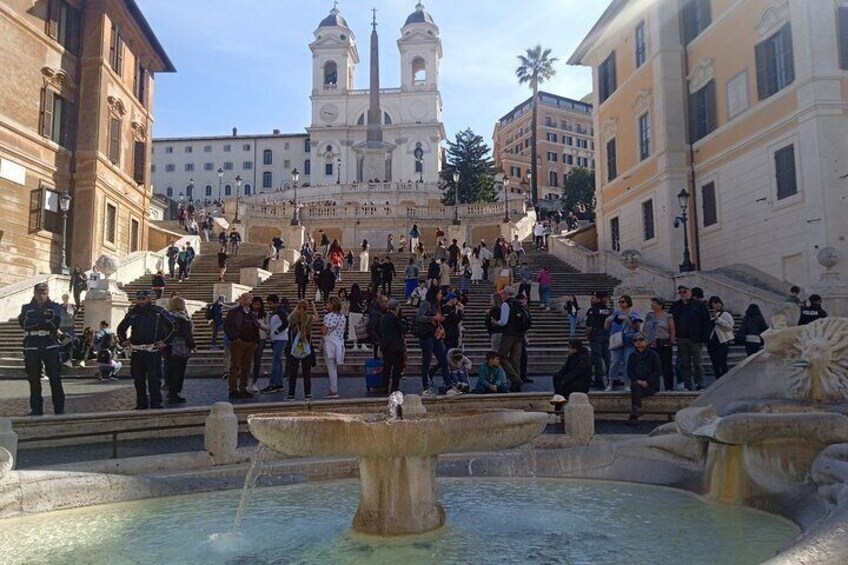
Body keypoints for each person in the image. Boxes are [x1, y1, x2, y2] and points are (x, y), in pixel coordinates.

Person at [117, 290, 174, 410]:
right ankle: (141, 403)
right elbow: (121, 327)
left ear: (149, 299)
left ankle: (156, 403)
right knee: (138, 379)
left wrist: (165, 341)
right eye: (139, 299)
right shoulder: (133, 313)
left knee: (154, 379)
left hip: (152, 350)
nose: (141, 301)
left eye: (143, 299)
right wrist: (123, 340)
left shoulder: (158, 311)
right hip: (137, 351)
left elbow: (173, 326)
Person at [18, 283, 65, 416]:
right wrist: (43, 320)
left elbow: (54, 323)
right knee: (33, 378)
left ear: (48, 292)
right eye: (39, 292)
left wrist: (37, 320)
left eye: (44, 292)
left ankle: (59, 408)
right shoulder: (26, 308)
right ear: (34, 293)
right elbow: (25, 323)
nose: (42, 295)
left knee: (55, 377)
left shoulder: (54, 307)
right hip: (32, 345)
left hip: (50, 344)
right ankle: (36, 408)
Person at [670, 285, 710, 391]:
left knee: (698, 363)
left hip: (696, 339)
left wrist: (704, 338)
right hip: (681, 338)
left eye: (685, 291)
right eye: (681, 292)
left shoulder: (699, 305)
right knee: (685, 364)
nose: (683, 294)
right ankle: (687, 385)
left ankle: (700, 383)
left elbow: (706, 321)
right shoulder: (676, 306)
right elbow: (671, 321)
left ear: (690, 292)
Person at [491, 286, 532, 392]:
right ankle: (516, 384)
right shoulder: (519, 304)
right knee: (515, 360)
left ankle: (515, 379)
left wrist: (496, 323)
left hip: (509, 334)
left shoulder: (506, 304)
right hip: (519, 335)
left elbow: (504, 321)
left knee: (501, 357)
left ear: (504, 293)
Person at [223, 292, 260, 400]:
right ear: (241, 300)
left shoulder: (252, 313)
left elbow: (255, 327)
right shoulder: (234, 311)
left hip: (250, 343)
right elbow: (226, 326)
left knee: (246, 367)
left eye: (250, 298)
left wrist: (256, 341)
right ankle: (233, 390)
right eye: (245, 298)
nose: (248, 300)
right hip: (238, 342)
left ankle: (243, 388)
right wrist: (234, 338)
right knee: (235, 367)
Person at [415, 285, 450, 395]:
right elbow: (419, 317)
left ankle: (447, 384)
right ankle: (425, 386)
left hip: (436, 335)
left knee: (443, 359)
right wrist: (432, 318)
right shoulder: (426, 303)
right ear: (434, 294)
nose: (441, 295)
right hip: (427, 335)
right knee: (427, 360)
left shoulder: (437, 305)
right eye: (439, 293)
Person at [604, 295, 642, 391]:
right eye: (619, 301)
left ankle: (627, 383)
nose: (620, 303)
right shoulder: (615, 313)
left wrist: (627, 318)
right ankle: (610, 383)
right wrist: (607, 320)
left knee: (628, 362)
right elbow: (606, 327)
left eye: (623, 301)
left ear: (628, 303)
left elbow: (636, 327)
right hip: (616, 340)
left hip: (629, 340)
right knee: (614, 362)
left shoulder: (634, 313)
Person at [163, 296, 195, 404]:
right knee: (179, 370)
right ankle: (174, 393)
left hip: (167, 346)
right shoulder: (183, 318)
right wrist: (192, 346)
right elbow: (187, 334)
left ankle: (170, 390)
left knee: (170, 369)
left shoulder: (167, 317)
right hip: (180, 347)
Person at [626, 332, 662, 426]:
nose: (638, 342)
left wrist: (647, 381)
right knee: (635, 385)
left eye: (641, 340)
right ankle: (636, 409)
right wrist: (638, 381)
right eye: (635, 340)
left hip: (651, 385)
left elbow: (657, 371)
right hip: (637, 384)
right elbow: (630, 371)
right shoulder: (632, 356)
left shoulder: (653, 355)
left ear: (646, 341)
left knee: (635, 388)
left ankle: (635, 411)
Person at [643, 297, 676, 391]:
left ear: (660, 305)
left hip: (663, 343)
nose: (652, 305)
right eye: (652, 303)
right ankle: (653, 386)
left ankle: (669, 386)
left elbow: (672, 330)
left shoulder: (668, 316)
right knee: (651, 366)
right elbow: (645, 328)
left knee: (666, 366)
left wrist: (671, 341)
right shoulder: (649, 315)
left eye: (654, 303)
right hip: (651, 343)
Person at [285, 300, 315, 401]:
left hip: (295, 347)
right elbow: (318, 318)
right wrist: (313, 306)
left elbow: (287, 319)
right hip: (306, 347)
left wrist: (295, 309)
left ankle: (291, 394)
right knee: (307, 372)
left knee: (293, 372)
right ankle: (308, 394)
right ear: (307, 308)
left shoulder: (293, 317)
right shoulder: (309, 318)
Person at [262, 295, 289, 394]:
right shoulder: (275, 312)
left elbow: (286, 323)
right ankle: (279, 384)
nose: (269, 305)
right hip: (276, 339)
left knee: (276, 361)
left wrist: (277, 331)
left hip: (280, 339)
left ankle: (273, 384)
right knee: (278, 361)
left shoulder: (280, 312)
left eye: (271, 303)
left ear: (276, 302)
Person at [584, 292, 611, 389]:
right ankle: (611, 378)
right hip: (606, 335)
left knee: (597, 359)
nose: (592, 300)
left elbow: (589, 325)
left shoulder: (593, 310)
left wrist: (588, 335)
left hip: (596, 336)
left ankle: (599, 380)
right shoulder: (608, 310)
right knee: (607, 358)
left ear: (599, 299)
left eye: (594, 298)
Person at [380, 299, 407, 394]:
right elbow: (403, 329)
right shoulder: (395, 318)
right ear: (396, 307)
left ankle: (384, 386)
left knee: (386, 367)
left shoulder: (383, 317)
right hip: (396, 346)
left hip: (386, 346)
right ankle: (394, 387)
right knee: (396, 369)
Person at [321, 296, 346, 399]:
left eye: (328, 303)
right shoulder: (342, 317)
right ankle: (333, 388)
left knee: (331, 368)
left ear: (332, 305)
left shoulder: (328, 316)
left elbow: (323, 331)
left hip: (330, 343)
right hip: (339, 343)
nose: (326, 305)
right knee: (334, 367)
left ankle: (333, 389)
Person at [707, 296, 735, 380]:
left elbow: (730, 327)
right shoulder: (709, 315)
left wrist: (718, 320)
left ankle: (724, 379)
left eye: (718, 302)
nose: (717, 305)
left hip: (722, 341)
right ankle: (718, 378)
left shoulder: (725, 314)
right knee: (715, 363)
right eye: (715, 303)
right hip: (712, 341)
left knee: (722, 362)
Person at [247, 297, 269, 394]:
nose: (256, 306)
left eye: (258, 304)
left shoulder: (264, 315)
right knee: (246, 360)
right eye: (255, 304)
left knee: (257, 360)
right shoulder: (247, 314)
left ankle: (254, 382)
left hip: (261, 339)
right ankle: (245, 382)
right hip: (249, 338)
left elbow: (269, 327)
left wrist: (259, 324)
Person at [347, 284, 366, 350]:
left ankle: (355, 344)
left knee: (353, 329)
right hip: (359, 313)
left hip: (352, 313)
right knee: (362, 329)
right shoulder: (360, 295)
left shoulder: (351, 295)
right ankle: (363, 344)